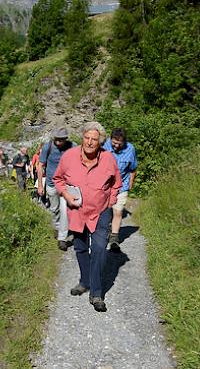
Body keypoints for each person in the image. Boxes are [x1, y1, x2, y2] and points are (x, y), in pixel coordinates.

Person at [53, 122, 121, 312]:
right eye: (87, 138)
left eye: (95, 139)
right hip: (77, 211)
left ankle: (96, 293)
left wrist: (111, 200)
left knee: (99, 250)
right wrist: (66, 195)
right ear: (82, 138)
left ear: (100, 142)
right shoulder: (69, 156)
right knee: (81, 248)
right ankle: (84, 281)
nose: (90, 142)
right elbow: (58, 179)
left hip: (100, 212)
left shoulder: (108, 159)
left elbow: (117, 183)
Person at [37, 127, 75, 251]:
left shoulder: (73, 146)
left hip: (66, 184)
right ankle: (58, 227)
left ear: (66, 139)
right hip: (51, 183)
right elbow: (40, 165)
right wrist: (41, 186)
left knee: (65, 210)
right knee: (54, 209)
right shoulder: (48, 147)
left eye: (61, 140)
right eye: (57, 140)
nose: (58, 143)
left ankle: (62, 238)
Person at [103, 128, 138, 250]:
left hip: (122, 185)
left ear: (124, 142)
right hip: (104, 185)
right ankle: (103, 232)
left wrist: (130, 183)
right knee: (105, 212)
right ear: (110, 139)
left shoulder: (130, 149)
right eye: (114, 143)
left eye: (119, 143)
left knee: (118, 211)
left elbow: (133, 168)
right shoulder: (105, 145)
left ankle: (114, 238)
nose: (116, 146)